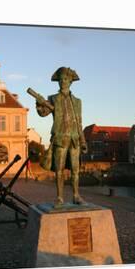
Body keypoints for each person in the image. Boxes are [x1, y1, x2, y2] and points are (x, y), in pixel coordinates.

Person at [35, 67, 87, 206]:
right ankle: (60, 198)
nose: (63, 81)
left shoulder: (77, 101)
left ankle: (76, 195)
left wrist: (83, 140)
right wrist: (39, 103)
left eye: (66, 79)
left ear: (70, 81)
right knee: (59, 170)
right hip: (60, 138)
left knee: (76, 170)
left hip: (75, 139)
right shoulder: (53, 98)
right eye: (61, 79)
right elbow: (43, 113)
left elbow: (79, 122)